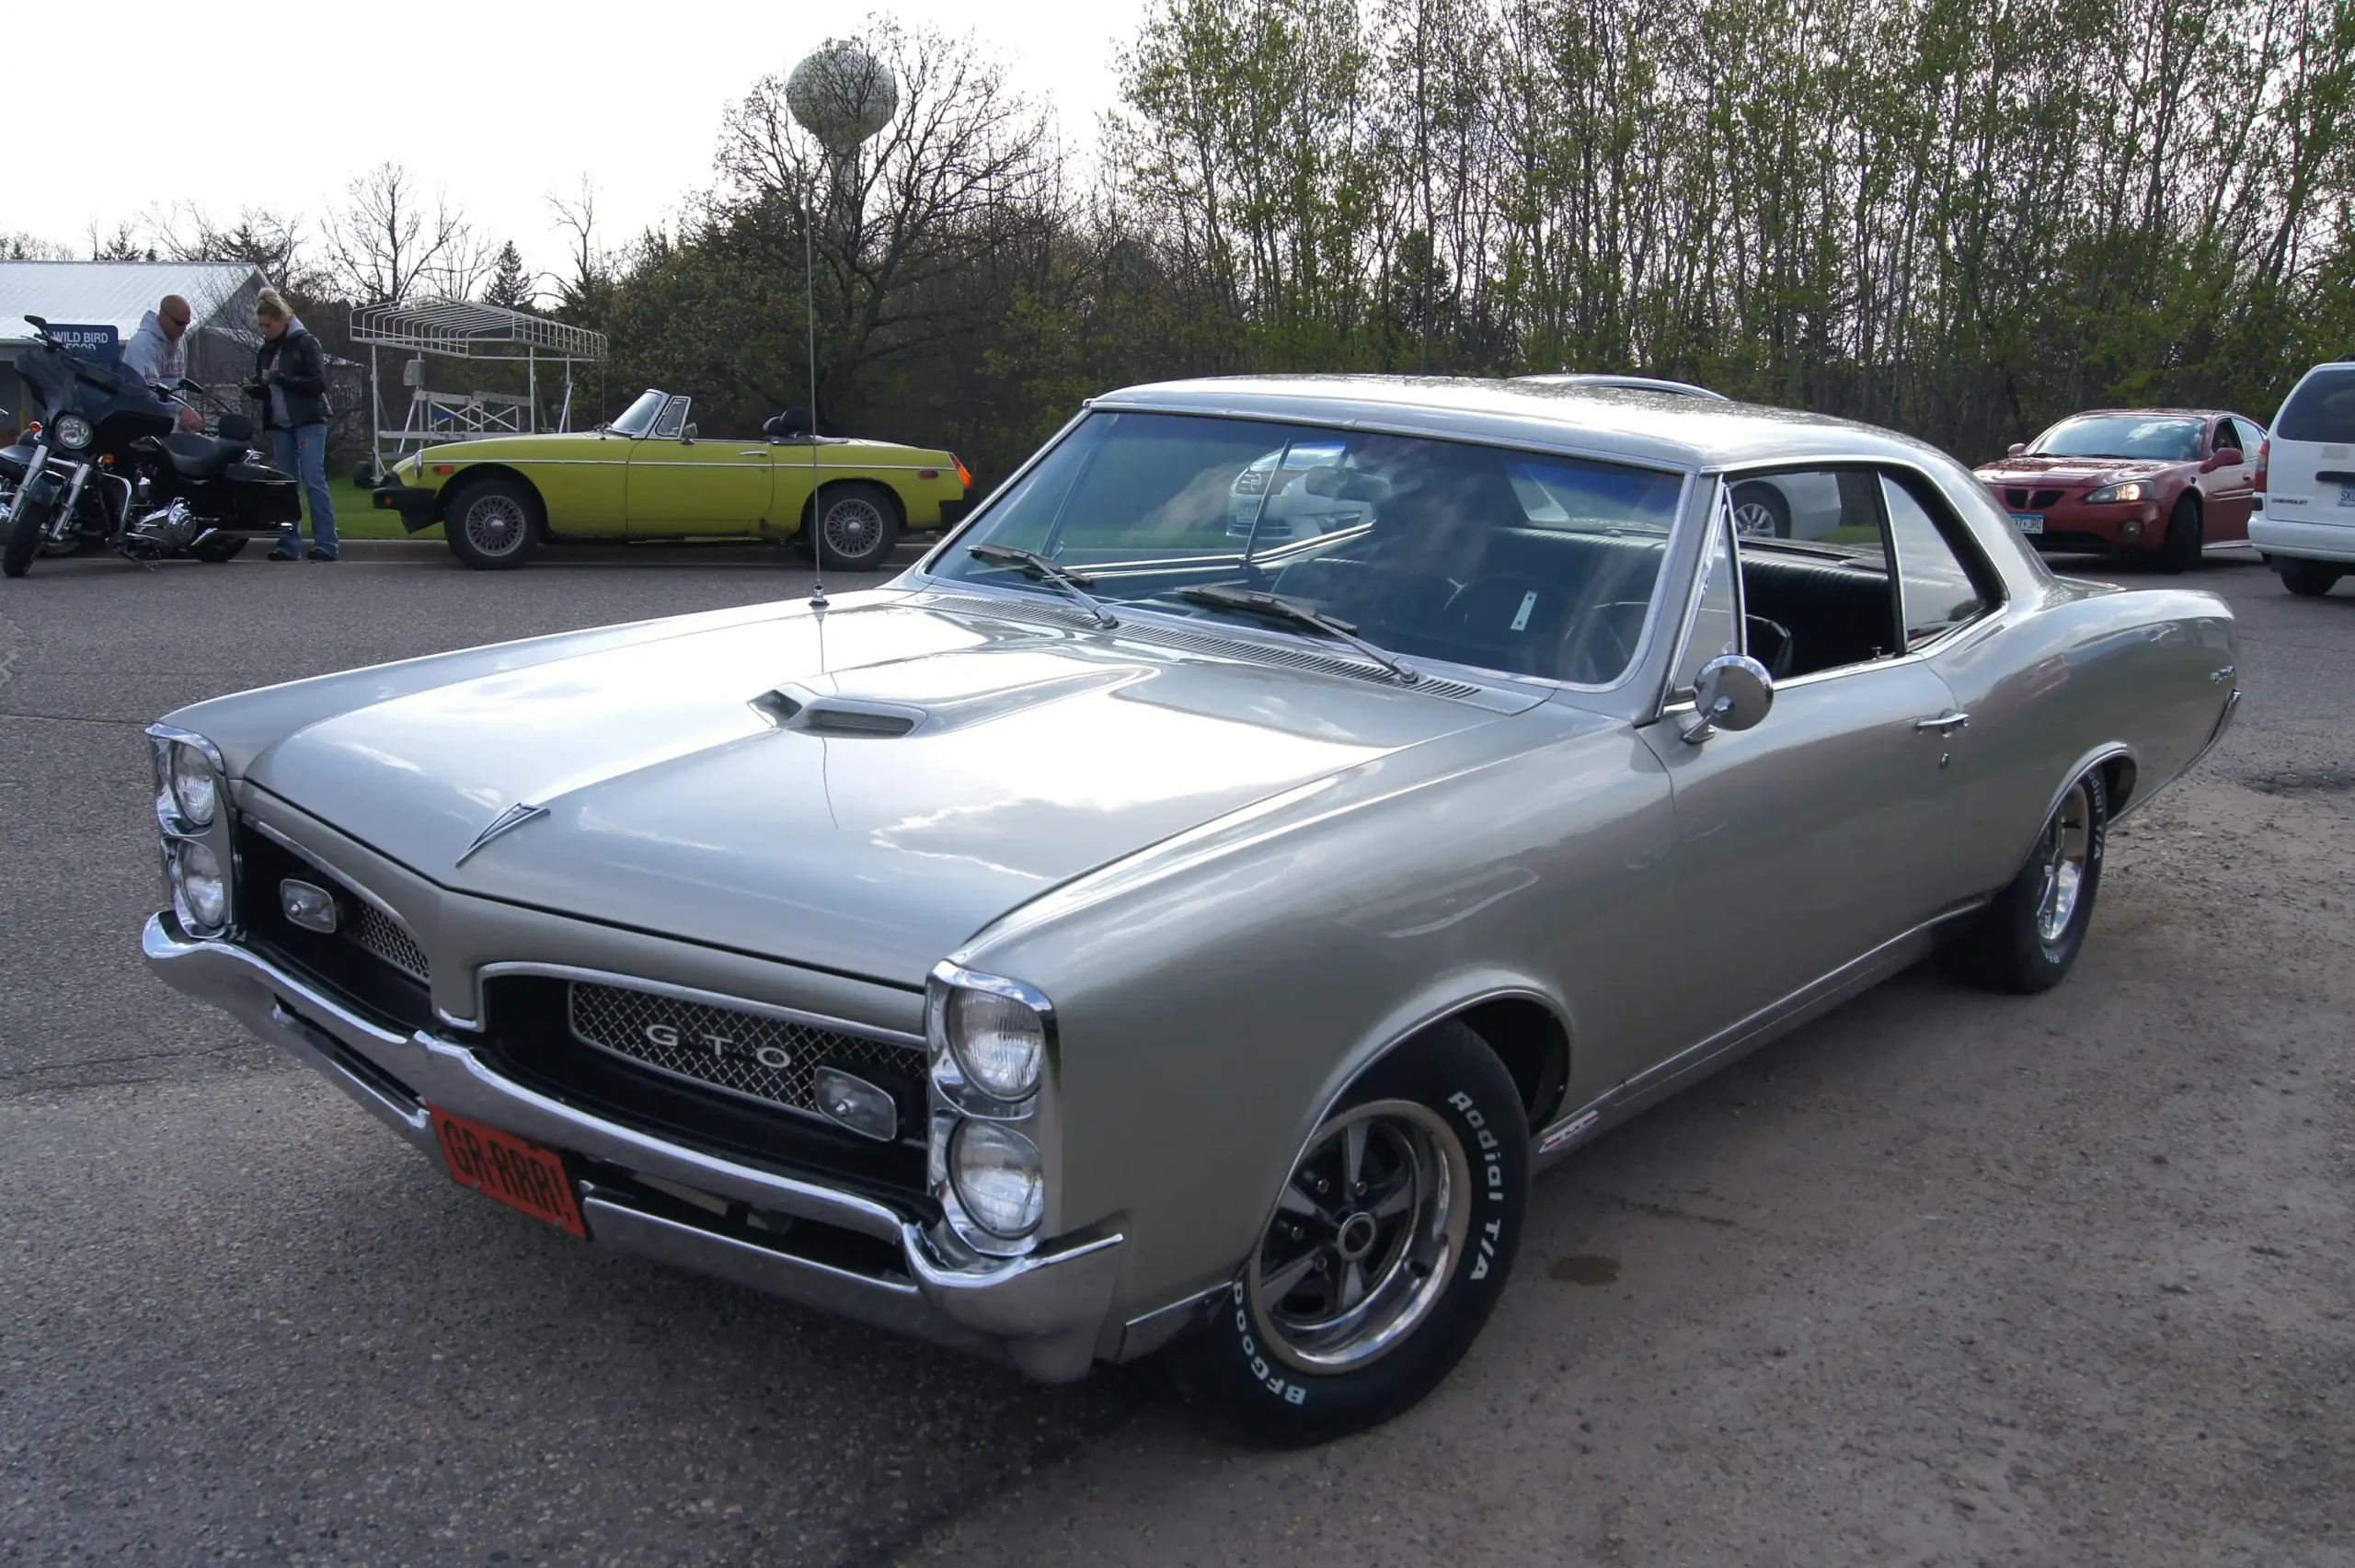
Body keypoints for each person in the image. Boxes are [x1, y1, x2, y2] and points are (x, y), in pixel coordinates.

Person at [244, 287, 338, 561]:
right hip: (281, 423)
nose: (265, 331)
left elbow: (319, 383)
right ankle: (288, 543)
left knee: (313, 479)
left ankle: (327, 543)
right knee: (286, 484)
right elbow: (269, 388)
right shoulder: (266, 350)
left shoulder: (305, 342)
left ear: (282, 319)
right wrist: (255, 389)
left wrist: (284, 379)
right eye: (261, 326)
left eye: (268, 325)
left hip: (308, 420)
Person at [121, 294, 205, 432]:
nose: (184, 328)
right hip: (147, 425)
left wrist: (183, 416)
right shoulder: (142, 345)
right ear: (164, 315)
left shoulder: (180, 341)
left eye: (187, 323)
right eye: (179, 323)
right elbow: (147, 389)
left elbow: (179, 383)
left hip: (171, 425)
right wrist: (180, 410)